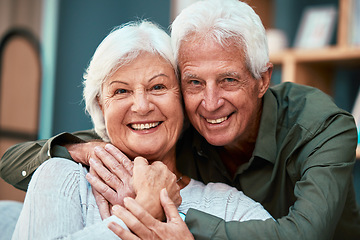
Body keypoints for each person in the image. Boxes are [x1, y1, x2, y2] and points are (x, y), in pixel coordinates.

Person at [1, 0, 360, 239]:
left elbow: (303, 235)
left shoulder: (321, 129)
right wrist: (81, 150)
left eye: (229, 80)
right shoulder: (169, 126)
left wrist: (164, 211)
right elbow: (16, 160)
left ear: (263, 79)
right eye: (193, 82)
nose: (210, 102)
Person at [10, 19, 272, 240]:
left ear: (182, 98)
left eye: (158, 87)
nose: (142, 106)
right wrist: (145, 208)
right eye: (121, 91)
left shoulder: (229, 206)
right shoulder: (61, 175)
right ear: (101, 105)